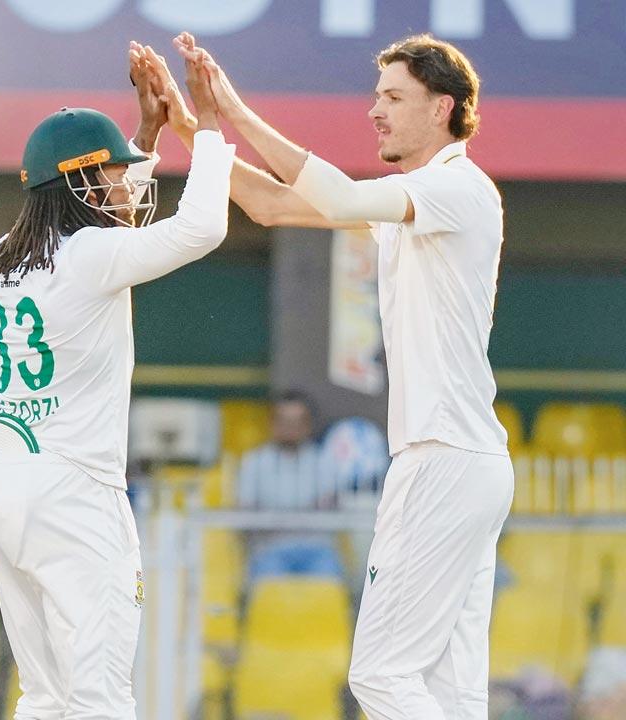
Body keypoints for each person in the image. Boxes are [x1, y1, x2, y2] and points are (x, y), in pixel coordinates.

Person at [155, 32, 513, 720]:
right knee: (450, 693)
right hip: (464, 464)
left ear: (442, 107)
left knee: (381, 676)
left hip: (442, 461)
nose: (375, 111)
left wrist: (233, 108)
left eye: (393, 98)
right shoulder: (418, 200)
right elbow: (271, 206)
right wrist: (192, 129)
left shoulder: (458, 189)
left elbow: (343, 200)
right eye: (378, 97)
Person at [0, 42, 234, 717]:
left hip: (7, 481)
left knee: (44, 695)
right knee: (101, 697)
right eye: (113, 174)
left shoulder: (1, 259)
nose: (125, 186)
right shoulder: (92, 256)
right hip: (75, 492)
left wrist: (145, 135)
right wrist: (207, 126)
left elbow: (103, 221)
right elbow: (202, 227)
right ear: (79, 183)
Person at [237, 391, 345, 582]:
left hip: (316, 549)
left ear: (308, 425)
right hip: (269, 549)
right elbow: (246, 513)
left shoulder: (323, 460)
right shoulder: (254, 462)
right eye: (284, 421)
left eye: (297, 422)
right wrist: (304, 516)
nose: (290, 428)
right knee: (268, 581)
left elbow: (328, 507)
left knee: (328, 577)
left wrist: (274, 519)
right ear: (272, 423)